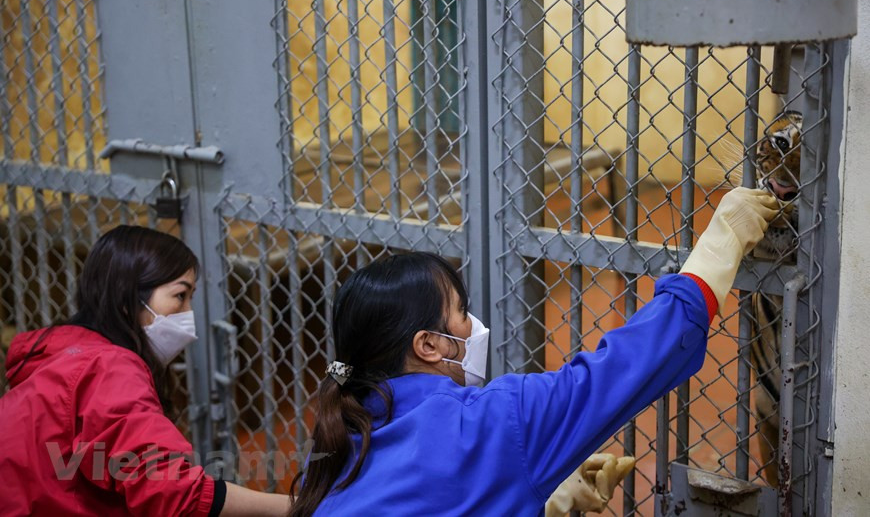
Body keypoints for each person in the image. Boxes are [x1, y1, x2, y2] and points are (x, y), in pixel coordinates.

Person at [288, 187, 779, 516]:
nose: (473, 324)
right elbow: (634, 360)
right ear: (430, 345)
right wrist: (722, 242)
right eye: (461, 311)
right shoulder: (498, 420)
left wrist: (542, 499)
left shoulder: (339, 436)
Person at [0, 226, 289, 516]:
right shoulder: (110, 370)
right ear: (129, 300)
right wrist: (294, 507)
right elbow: (174, 492)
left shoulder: (63, 352)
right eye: (179, 295)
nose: (188, 313)